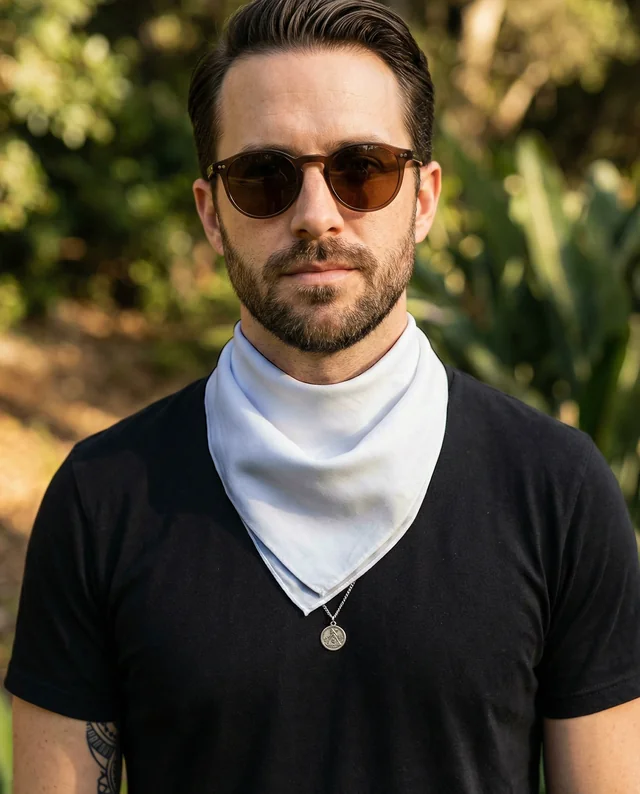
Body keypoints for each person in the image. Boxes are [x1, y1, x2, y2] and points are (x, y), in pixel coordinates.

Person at [5, 0, 640, 791]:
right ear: (211, 213)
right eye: (263, 177)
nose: (316, 215)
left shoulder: (557, 489)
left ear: (426, 197)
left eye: (362, 169)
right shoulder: (101, 499)